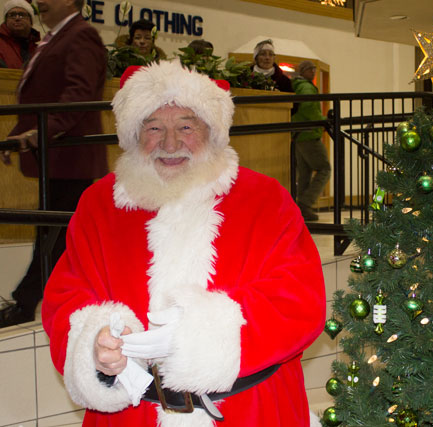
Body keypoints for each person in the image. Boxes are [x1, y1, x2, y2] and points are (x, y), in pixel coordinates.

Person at [41, 61, 326, 426]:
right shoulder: (99, 204)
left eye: (186, 127)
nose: (171, 143)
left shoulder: (264, 198)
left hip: (249, 411)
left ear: (212, 132)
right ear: (133, 134)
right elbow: (66, 295)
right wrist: (96, 343)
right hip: (133, 414)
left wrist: (203, 333)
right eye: (154, 127)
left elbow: (300, 300)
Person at [0, 0, 108, 327]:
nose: (39, 3)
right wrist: (19, 134)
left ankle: (27, 303)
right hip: (56, 155)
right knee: (52, 232)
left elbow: (79, 93)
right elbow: (39, 97)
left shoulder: (81, 35)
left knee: (55, 234)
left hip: (69, 155)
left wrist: (45, 130)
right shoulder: (58, 37)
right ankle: (42, 300)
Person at [291, 60, 331, 221]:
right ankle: (305, 203)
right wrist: (322, 120)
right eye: (310, 69)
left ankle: (302, 208)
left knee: (305, 173)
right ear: (303, 71)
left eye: (314, 69)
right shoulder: (306, 87)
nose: (313, 72)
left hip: (298, 135)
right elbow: (309, 108)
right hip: (308, 134)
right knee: (324, 168)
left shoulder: (297, 86)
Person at [0, 0, 40, 68]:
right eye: (12, 15)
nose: (17, 18)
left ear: (31, 21)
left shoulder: (39, 50)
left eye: (22, 15)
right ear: (6, 21)